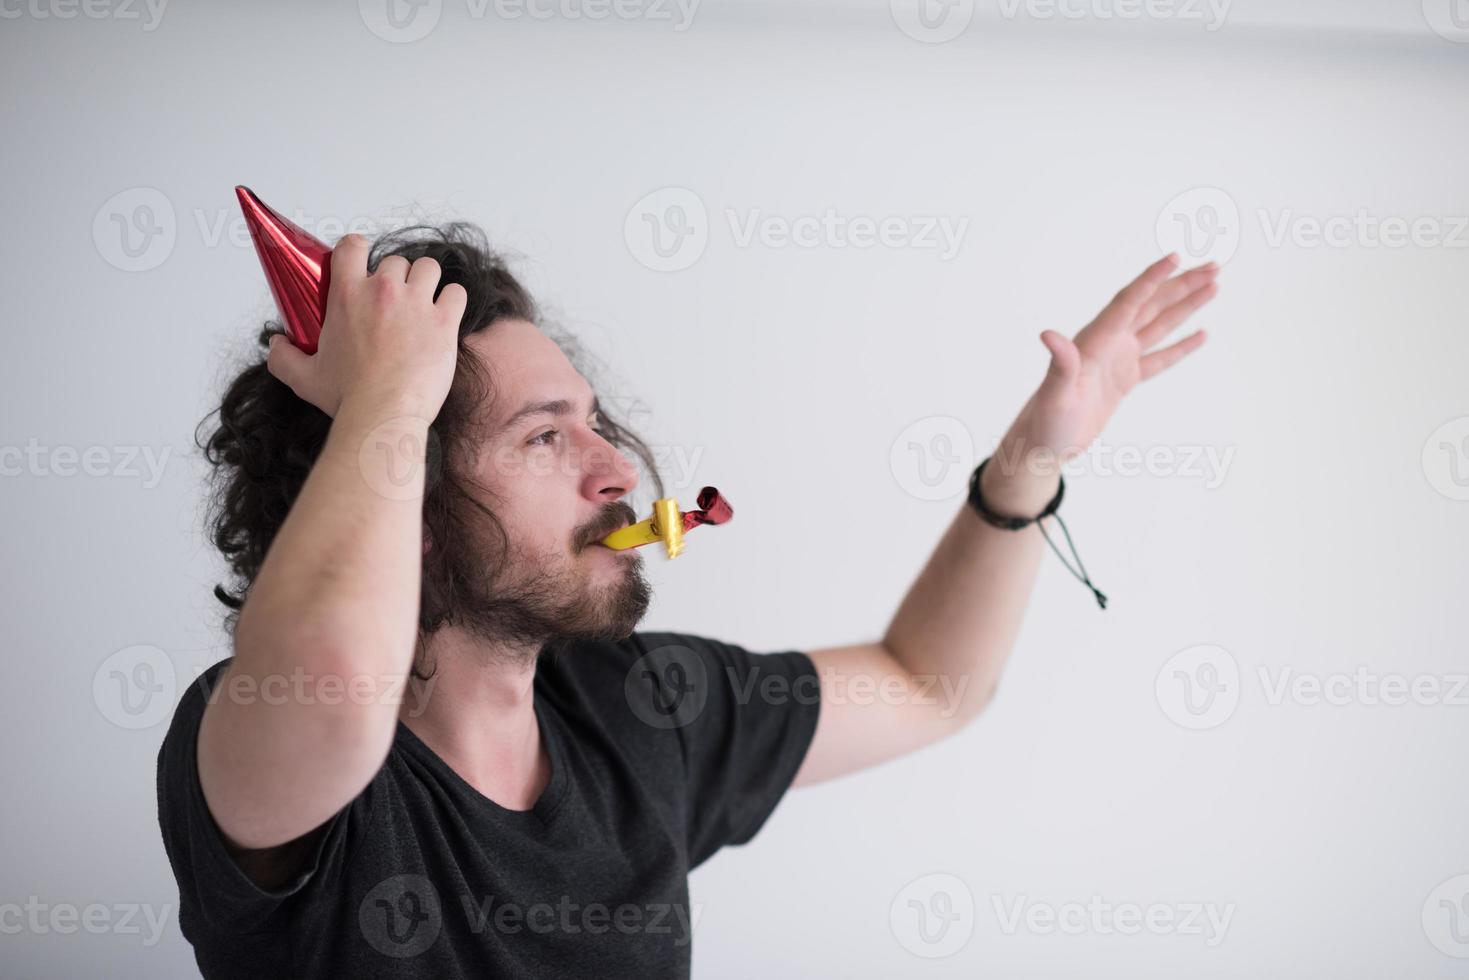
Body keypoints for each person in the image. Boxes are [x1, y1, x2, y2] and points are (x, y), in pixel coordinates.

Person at [156, 221, 1219, 977]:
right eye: (541, 435)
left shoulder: (638, 704)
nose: (615, 468)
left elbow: (928, 683)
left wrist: (1027, 461)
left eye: (592, 418)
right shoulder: (261, 726)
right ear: (413, 498)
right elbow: (344, 677)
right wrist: (387, 393)